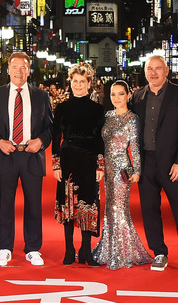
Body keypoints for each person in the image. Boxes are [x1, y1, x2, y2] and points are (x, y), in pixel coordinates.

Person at [131, 55, 178, 272]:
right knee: (149, 209)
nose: (153, 73)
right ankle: (159, 252)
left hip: (173, 163)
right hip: (145, 163)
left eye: (158, 68)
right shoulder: (137, 97)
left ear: (167, 70)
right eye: (149, 69)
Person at [0, 52, 53, 266]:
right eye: (15, 67)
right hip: (7, 155)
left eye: (24, 67)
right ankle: (4, 248)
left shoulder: (41, 96)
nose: (19, 71)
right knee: (5, 204)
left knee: (34, 205)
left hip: (32, 156)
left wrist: (40, 141)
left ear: (29, 70)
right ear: (8, 70)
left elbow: (50, 128)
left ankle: (33, 248)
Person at [92, 80, 153, 270]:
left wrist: (137, 170)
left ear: (128, 95)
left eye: (120, 94)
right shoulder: (107, 116)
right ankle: (109, 248)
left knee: (119, 209)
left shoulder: (132, 119)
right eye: (113, 94)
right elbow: (99, 143)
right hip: (107, 170)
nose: (116, 98)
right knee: (109, 208)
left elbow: (134, 146)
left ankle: (120, 252)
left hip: (121, 170)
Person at [51, 62, 105, 266]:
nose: (78, 85)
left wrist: (100, 165)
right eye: (75, 81)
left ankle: (86, 250)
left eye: (83, 81)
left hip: (89, 160)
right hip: (68, 161)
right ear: (70, 82)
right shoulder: (62, 108)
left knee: (88, 205)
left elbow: (100, 139)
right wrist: (56, 164)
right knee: (68, 206)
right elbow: (56, 138)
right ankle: (69, 249)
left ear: (89, 83)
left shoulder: (98, 110)